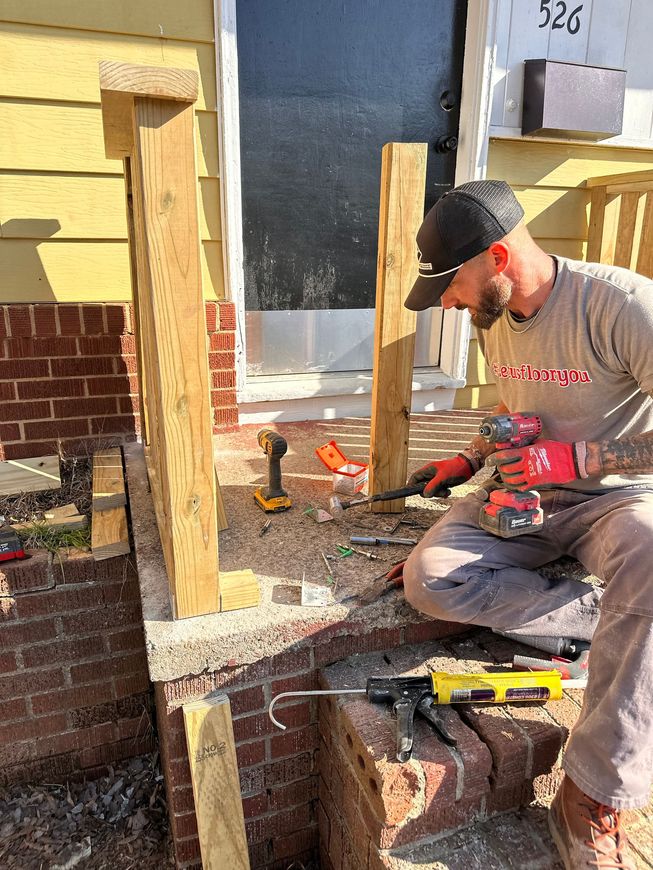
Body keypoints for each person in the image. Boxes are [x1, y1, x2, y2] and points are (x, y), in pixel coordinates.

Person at [399, 179, 653, 870]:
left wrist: (575, 457)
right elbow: (514, 410)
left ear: (499, 259)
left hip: (615, 499)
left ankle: (592, 791)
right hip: (524, 494)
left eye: (451, 286)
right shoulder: (493, 317)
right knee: (429, 579)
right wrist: (470, 455)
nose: (447, 304)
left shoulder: (621, 304)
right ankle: (600, 611)